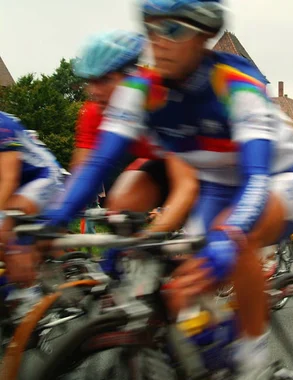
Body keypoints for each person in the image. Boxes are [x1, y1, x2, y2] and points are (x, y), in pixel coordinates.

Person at [8, 2, 293, 380]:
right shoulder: (140, 89)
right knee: (178, 289)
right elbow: (99, 163)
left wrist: (227, 239)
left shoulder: (235, 84)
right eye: (152, 29)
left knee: (232, 238)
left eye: (173, 30)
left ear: (204, 35)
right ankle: (205, 360)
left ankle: (255, 360)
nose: (159, 42)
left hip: (277, 179)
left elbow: (255, 179)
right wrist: (51, 221)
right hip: (217, 186)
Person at [70, 31, 199, 235]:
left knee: (207, 240)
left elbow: (186, 184)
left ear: (131, 78)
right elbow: (81, 173)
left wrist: (154, 233)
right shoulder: (94, 110)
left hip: (207, 164)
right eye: (90, 82)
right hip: (162, 163)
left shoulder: (161, 97)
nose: (93, 91)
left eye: (104, 80)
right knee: (120, 209)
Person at [0, 112, 65, 283]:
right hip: (20, 183)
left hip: (43, 176)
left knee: (6, 228)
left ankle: (29, 290)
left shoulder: (2, 124)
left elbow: (9, 179)